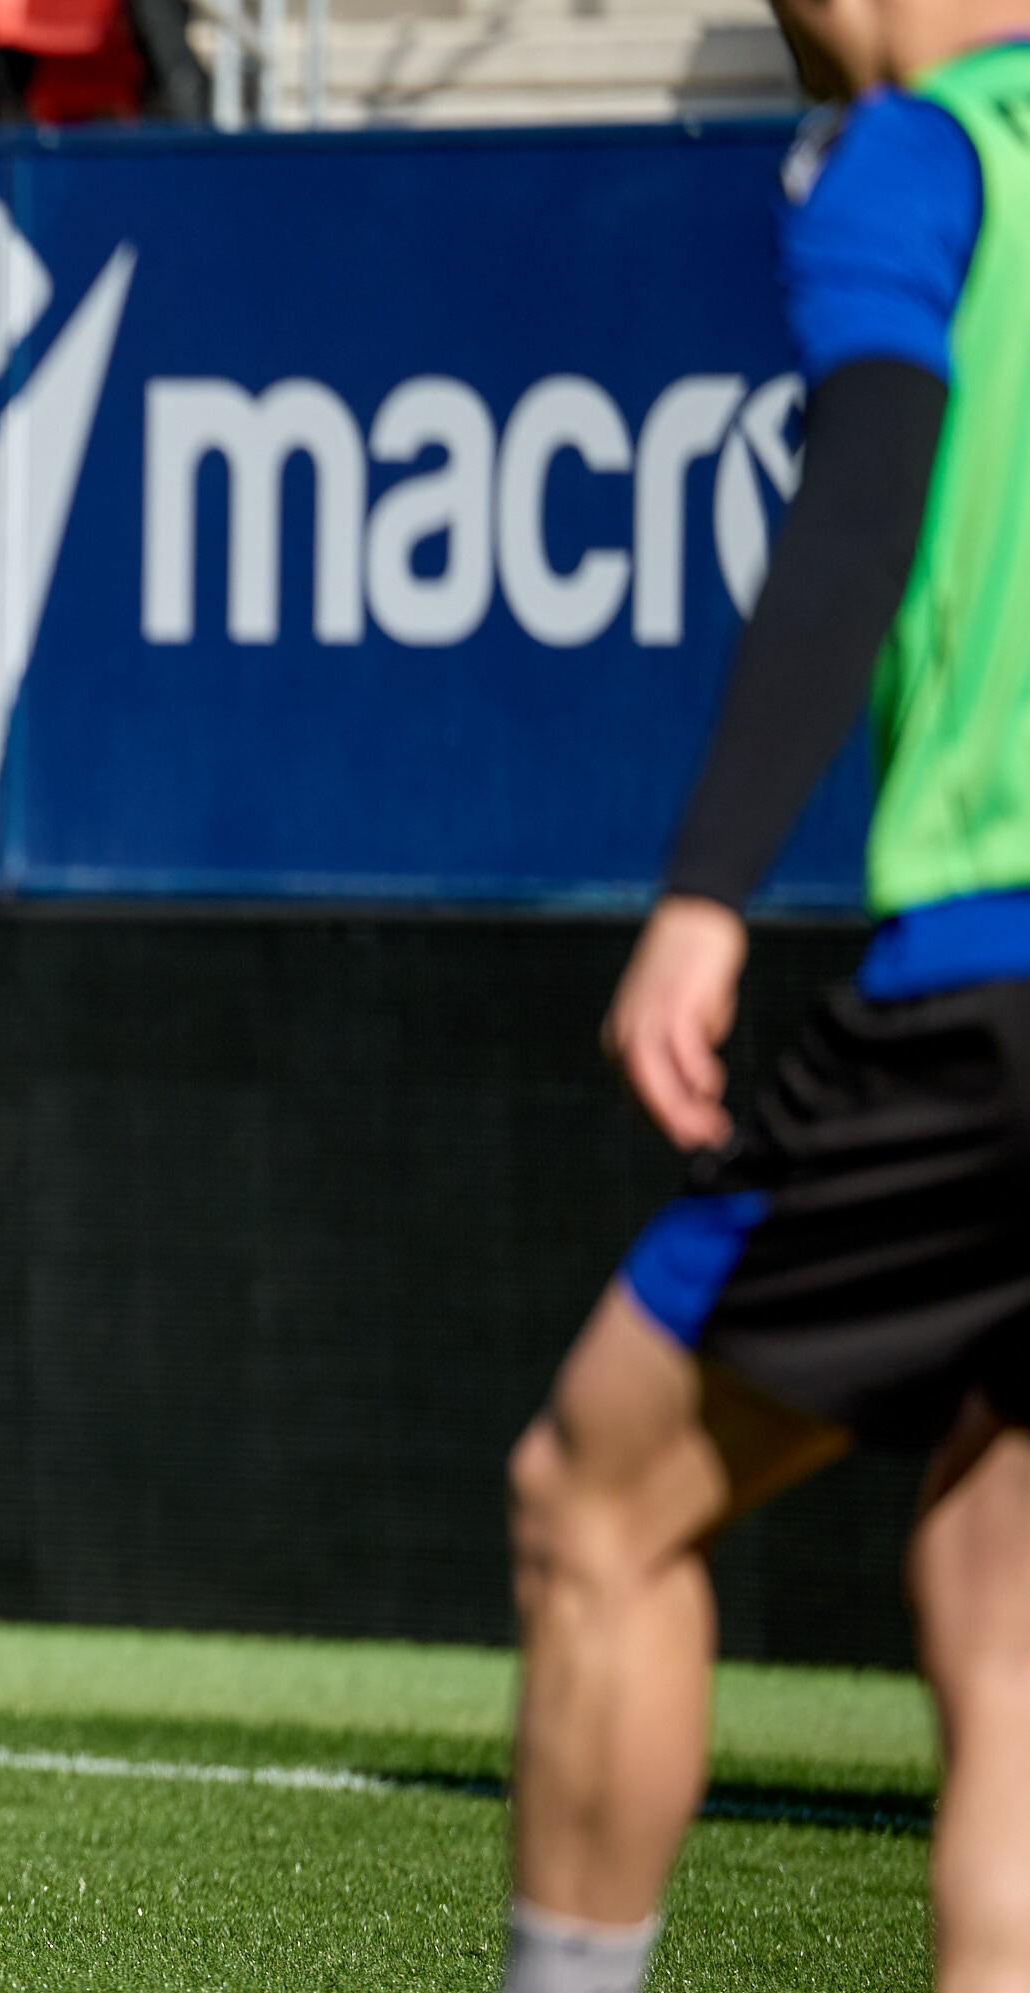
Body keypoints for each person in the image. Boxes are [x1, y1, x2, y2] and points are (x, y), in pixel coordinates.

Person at [500, 6, 1030, 1989]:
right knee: (997, 1596)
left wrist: (706, 889)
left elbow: (860, 493)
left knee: (594, 1491)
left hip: (998, 984)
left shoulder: (924, 151)